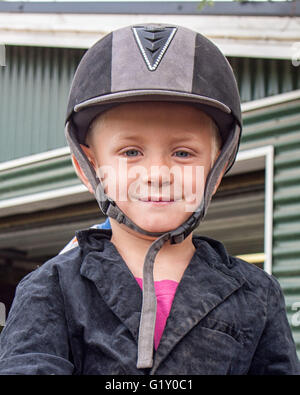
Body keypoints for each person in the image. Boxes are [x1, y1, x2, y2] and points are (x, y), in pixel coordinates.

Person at [0, 23, 299, 375]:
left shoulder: (257, 294)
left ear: (216, 171)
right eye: (130, 152)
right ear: (90, 168)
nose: (157, 172)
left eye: (184, 153)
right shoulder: (50, 287)